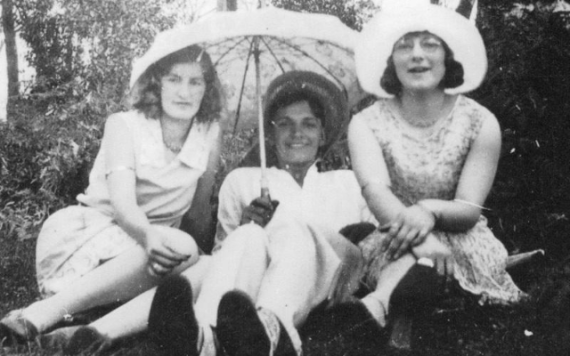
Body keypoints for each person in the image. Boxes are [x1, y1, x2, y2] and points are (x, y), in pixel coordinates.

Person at [0, 44, 223, 346]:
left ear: (206, 88)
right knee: (181, 245)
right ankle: (42, 313)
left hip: (152, 256)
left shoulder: (209, 133)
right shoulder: (124, 125)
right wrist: (151, 238)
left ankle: (92, 334)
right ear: (156, 82)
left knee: (209, 267)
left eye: (195, 81)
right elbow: (123, 205)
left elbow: (197, 214)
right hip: (94, 236)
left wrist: (209, 249)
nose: (184, 91)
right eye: (174, 79)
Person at [147, 70, 376, 356]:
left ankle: (273, 327)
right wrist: (247, 225)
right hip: (253, 290)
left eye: (308, 125)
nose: (296, 134)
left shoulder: (350, 182)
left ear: (323, 134)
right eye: (285, 124)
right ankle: (204, 336)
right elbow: (223, 257)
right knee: (248, 234)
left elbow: (374, 248)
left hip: (331, 286)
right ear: (271, 132)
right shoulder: (243, 180)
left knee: (290, 224)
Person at [337, 1, 525, 333]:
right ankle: (389, 302)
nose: (417, 55)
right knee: (417, 257)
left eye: (430, 44)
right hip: (394, 235)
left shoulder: (480, 122)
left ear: (448, 56)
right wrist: (419, 238)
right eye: (404, 46)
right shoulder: (366, 123)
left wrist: (428, 210)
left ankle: (377, 306)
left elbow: (467, 209)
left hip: (461, 236)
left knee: (434, 260)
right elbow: (375, 189)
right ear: (390, 60)